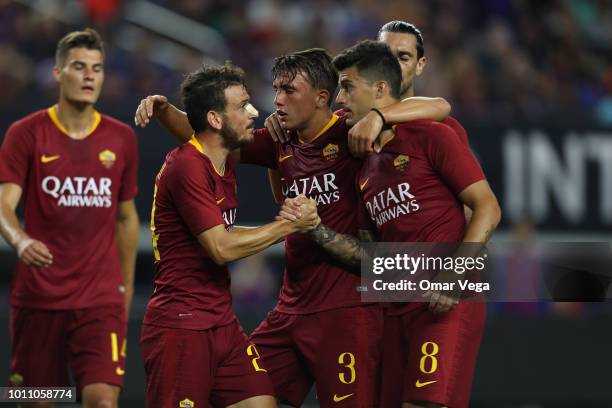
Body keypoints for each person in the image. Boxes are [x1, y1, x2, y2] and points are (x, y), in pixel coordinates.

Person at [134, 48, 449, 407]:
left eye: (289, 91)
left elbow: (440, 106)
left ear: (321, 98)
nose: (277, 101)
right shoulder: (279, 140)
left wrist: (378, 116)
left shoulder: (351, 132)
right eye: (275, 90)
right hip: (288, 309)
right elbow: (209, 135)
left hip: (346, 310)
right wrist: (164, 112)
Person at [281, 40, 501, 408]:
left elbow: (488, 208)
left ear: (380, 89)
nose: (339, 98)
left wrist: (455, 274)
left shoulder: (432, 135)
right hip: (395, 306)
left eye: (348, 87)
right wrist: (314, 228)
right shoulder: (364, 162)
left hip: (444, 299)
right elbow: (370, 253)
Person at [140, 63, 320, 408]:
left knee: (259, 403)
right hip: (181, 325)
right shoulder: (187, 165)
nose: (254, 112)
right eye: (242, 106)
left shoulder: (220, 162)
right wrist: (288, 225)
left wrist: (282, 225)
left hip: (221, 320)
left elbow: (218, 230)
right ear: (215, 120)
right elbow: (220, 248)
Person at [0, 28, 139, 407]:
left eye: (97, 68)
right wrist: (21, 240)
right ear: (59, 73)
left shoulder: (121, 137)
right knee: (40, 400)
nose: (90, 75)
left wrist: (123, 291)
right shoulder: (25, 133)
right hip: (39, 300)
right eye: (79, 66)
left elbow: (127, 219)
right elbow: (3, 204)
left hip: (99, 300)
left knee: (102, 400)